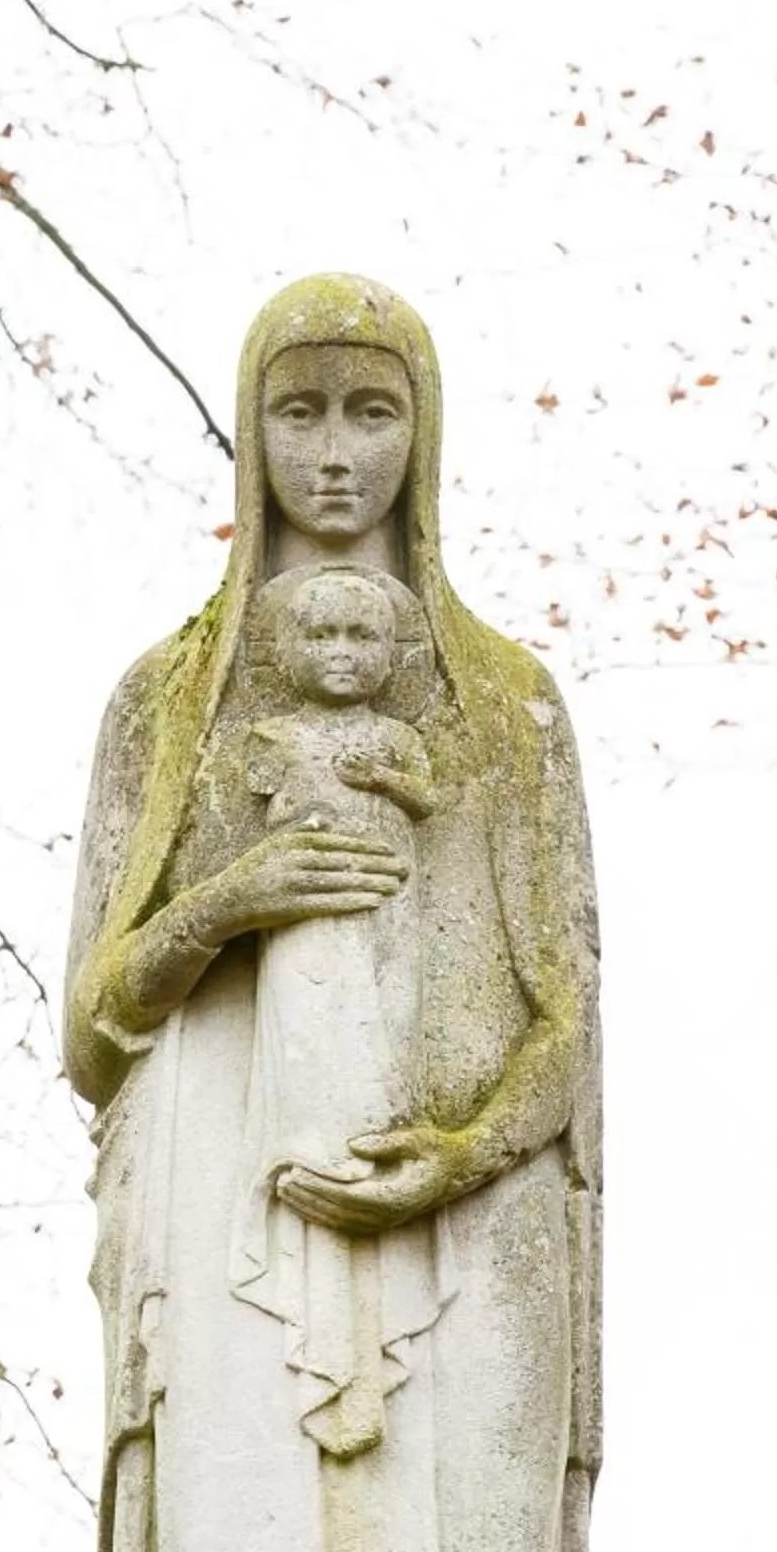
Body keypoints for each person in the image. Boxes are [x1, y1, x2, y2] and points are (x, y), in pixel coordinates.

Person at [66, 272, 605, 1552]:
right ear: (250, 434)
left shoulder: (512, 709)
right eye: (301, 415)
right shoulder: (167, 700)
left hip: (469, 1240)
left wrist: (455, 1154)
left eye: (371, 415)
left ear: (423, 439)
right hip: (225, 1203)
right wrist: (237, 893)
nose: (336, 455)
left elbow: (568, 1022)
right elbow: (90, 1013)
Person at [236, 563, 438, 1461]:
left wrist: (389, 784)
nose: (344, 655)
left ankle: (362, 1349)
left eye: (362, 638)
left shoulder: (397, 737)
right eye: (322, 637)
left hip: (387, 943)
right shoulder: (268, 738)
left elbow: (429, 803)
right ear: (286, 650)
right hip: (302, 948)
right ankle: (315, 1329)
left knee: (374, 1109)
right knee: (311, 1104)